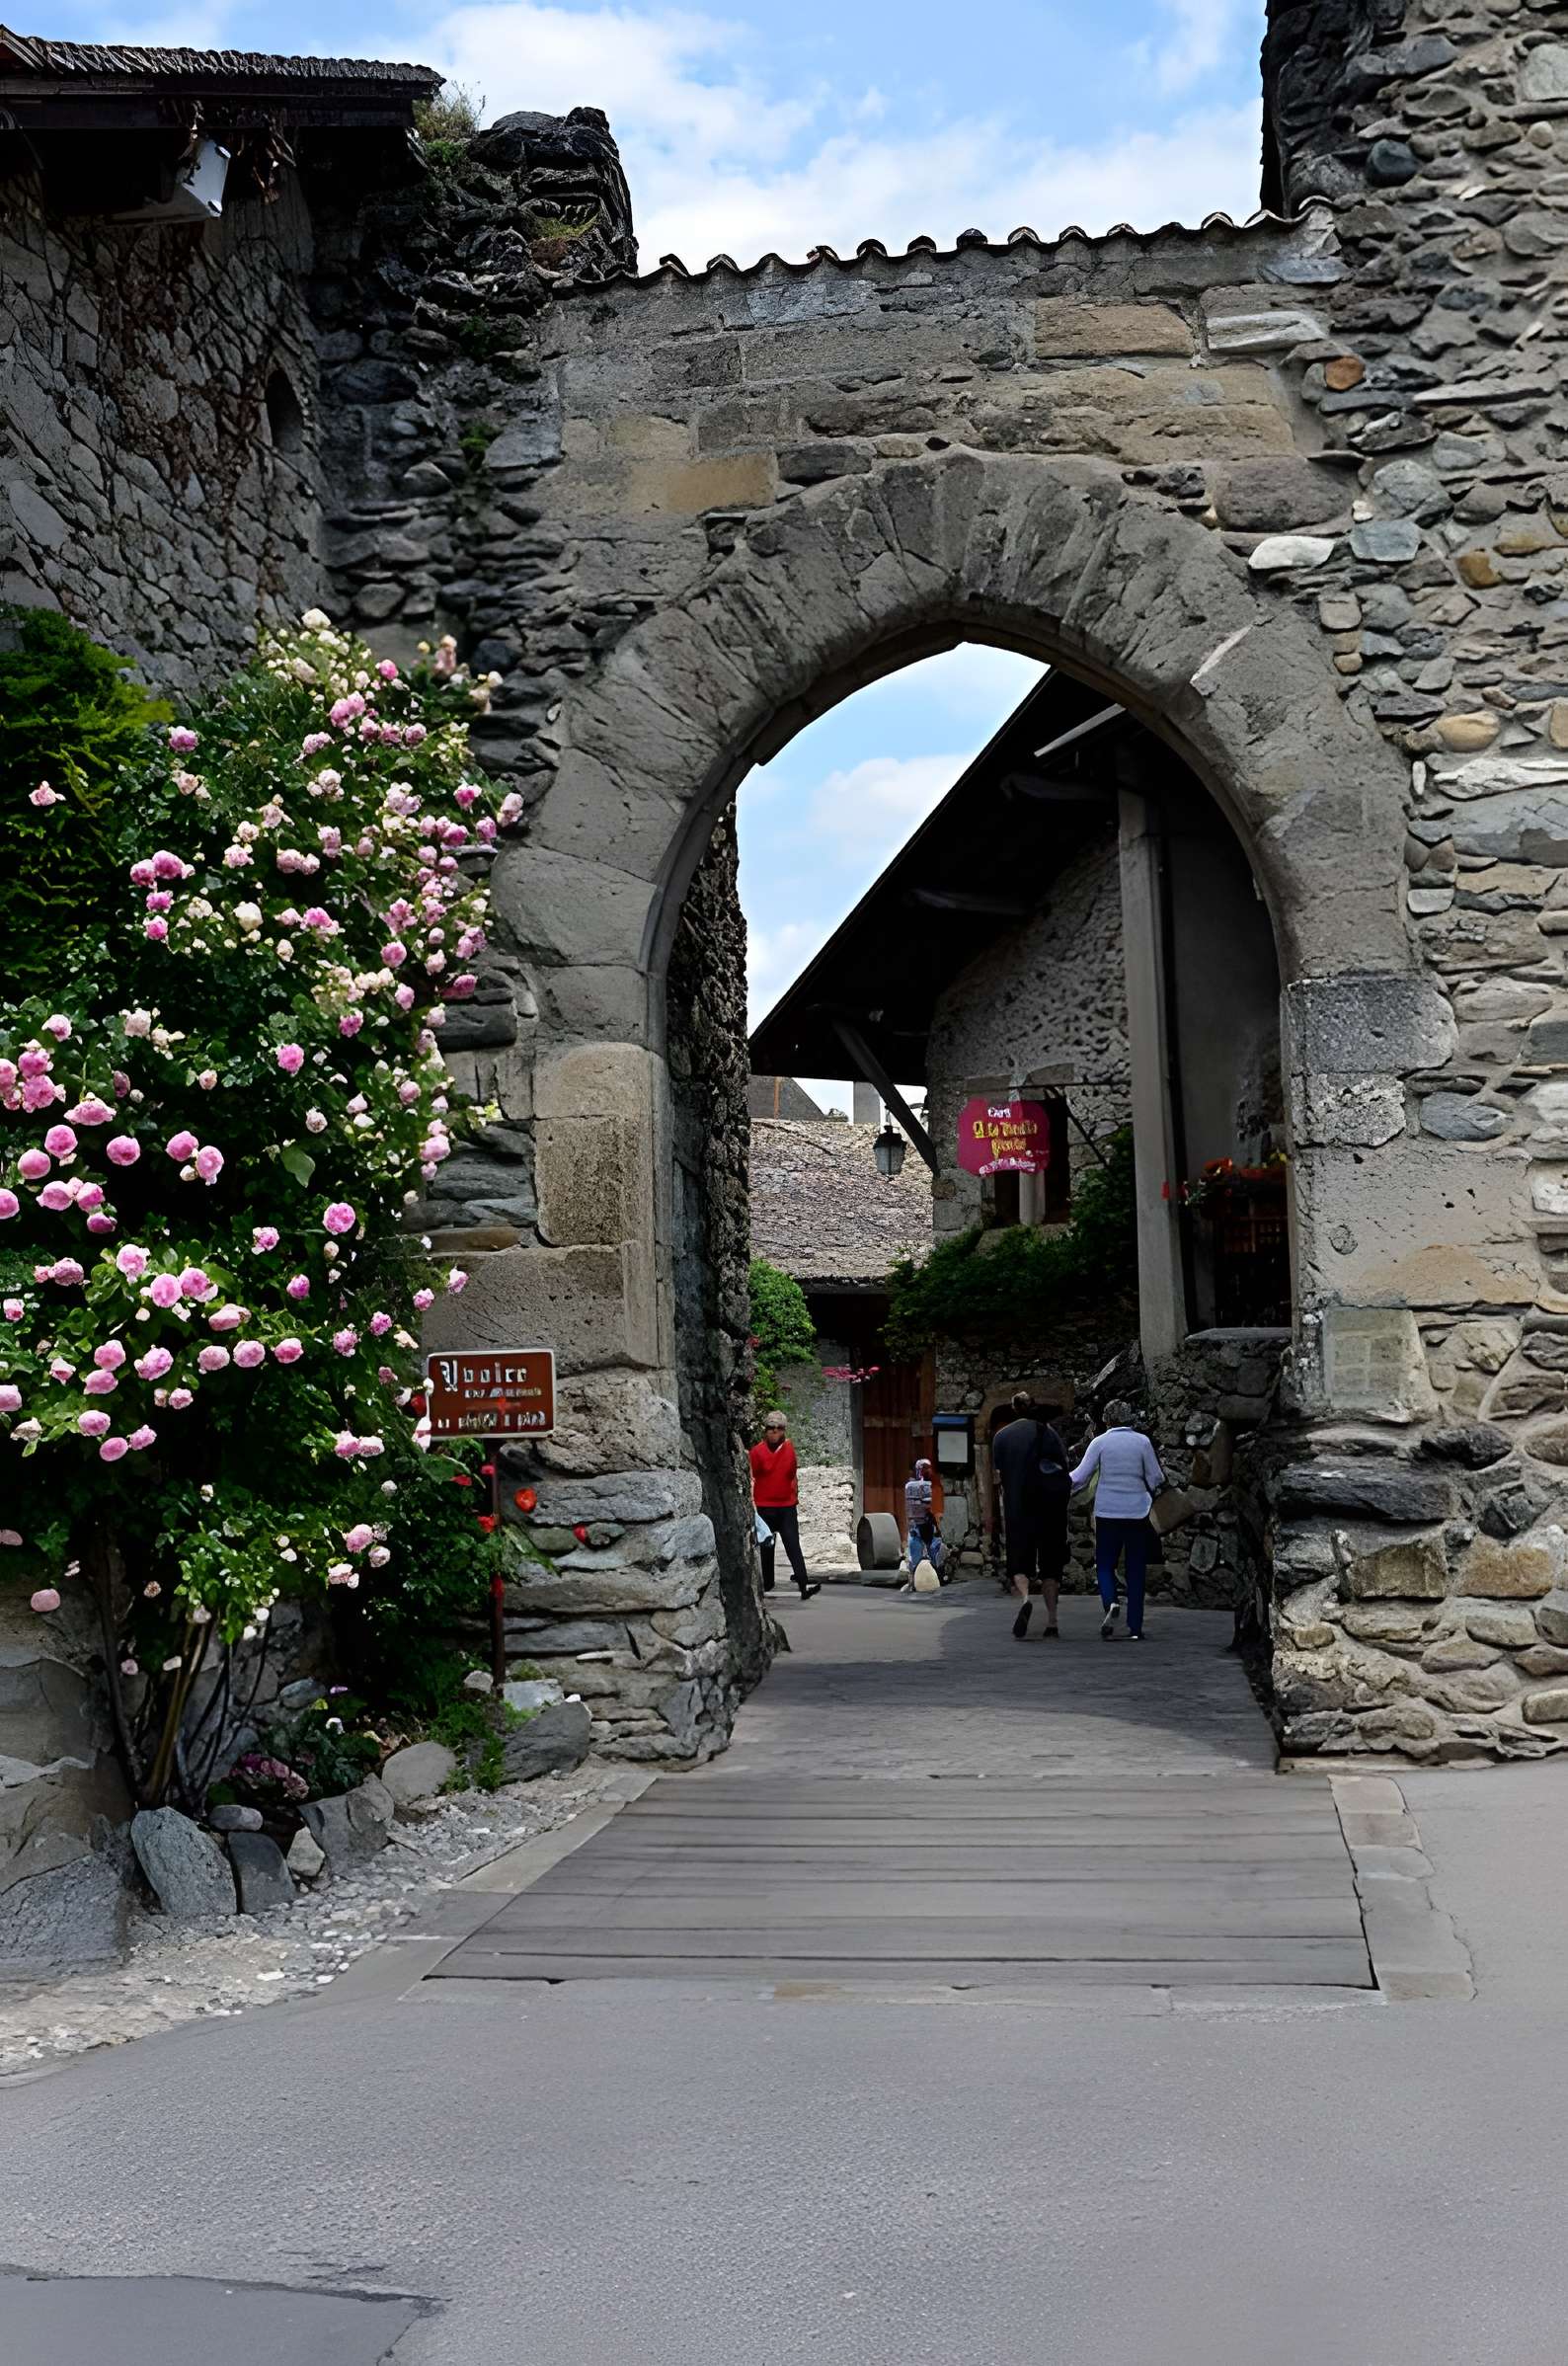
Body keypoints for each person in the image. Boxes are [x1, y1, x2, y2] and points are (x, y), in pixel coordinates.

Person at [1070, 1398, 1165, 1642]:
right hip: (1137, 1513)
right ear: (1129, 1418)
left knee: (1104, 1565)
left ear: (1106, 1419)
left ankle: (1111, 1602)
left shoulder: (1100, 1442)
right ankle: (1135, 1627)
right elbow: (1155, 1477)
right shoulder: (1142, 1442)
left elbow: (1080, 1476)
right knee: (1136, 1569)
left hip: (1108, 1512)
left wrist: (1057, 1483)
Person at [991, 1390, 1071, 1640]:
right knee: (1050, 1566)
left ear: (1014, 1410)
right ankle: (1052, 1621)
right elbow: (1064, 1468)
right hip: (1050, 1509)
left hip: (1018, 1507)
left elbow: (998, 1475)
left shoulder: (1002, 1437)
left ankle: (1026, 1599)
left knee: (1019, 1562)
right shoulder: (1049, 1433)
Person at [748, 1411, 821, 1601]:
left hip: (786, 1506)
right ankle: (768, 1583)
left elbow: (791, 1473)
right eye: (771, 1428)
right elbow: (753, 1476)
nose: (774, 1431)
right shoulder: (757, 1452)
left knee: (792, 1545)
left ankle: (803, 1584)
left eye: (779, 1428)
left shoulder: (788, 1449)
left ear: (784, 1430)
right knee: (767, 1547)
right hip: (765, 1506)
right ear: (765, 1430)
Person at [903, 1457, 946, 1583]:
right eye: (926, 1468)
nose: (929, 1471)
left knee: (922, 1553)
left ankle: (917, 1578)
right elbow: (927, 1507)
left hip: (916, 1525)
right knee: (932, 1551)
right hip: (923, 1525)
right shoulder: (924, 1486)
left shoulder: (909, 1486)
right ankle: (936, 1576)